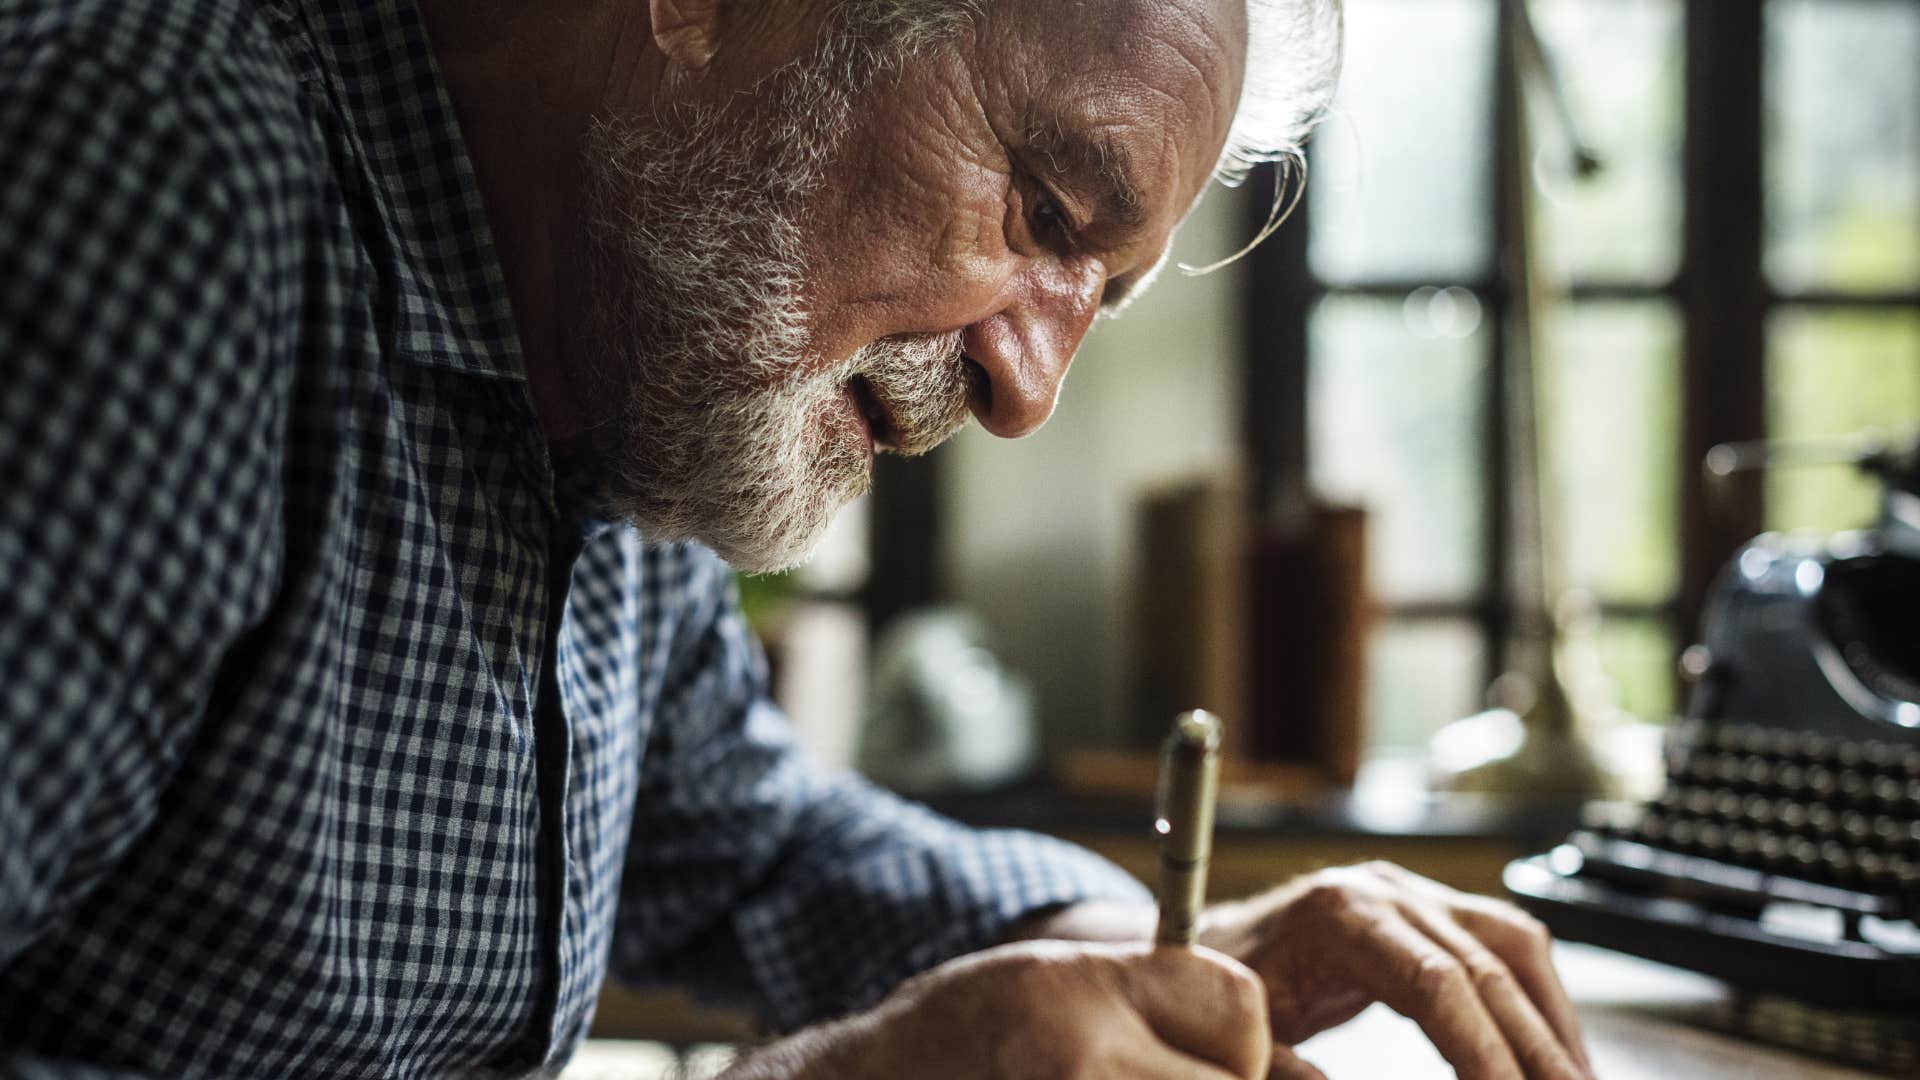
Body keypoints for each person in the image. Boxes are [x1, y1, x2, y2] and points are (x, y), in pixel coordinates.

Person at [0, 0, 1596, 1076]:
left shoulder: (638, 364)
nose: (1031, 392)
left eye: (1096, 297)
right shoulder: (141, 186)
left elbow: (748, 846)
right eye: (1043, 214)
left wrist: (1149, 939)